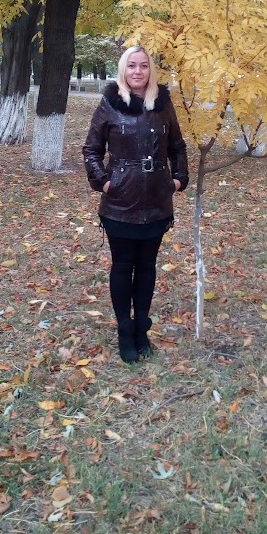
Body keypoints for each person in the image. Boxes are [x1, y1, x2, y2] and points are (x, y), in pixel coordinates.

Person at [83, 46, 189, 363]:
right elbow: (91, 149)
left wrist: (178, 180)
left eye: (143, 66)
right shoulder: (109, 104)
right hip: (120, 203)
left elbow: (177, 146)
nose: (138, 71)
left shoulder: (163, 105)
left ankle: (142, 327)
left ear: (150, 70)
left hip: (157, 201)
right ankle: (124, 330)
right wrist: (105, 182)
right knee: (122, 266)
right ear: (123, 70)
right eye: (132, 66)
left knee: (146, 267)